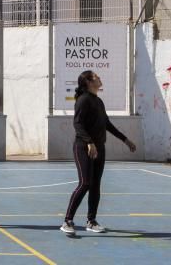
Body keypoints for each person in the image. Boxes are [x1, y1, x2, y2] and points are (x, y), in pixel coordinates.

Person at [60, 70, 137, 235]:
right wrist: (89, 142)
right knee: (85, 183)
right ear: (88, 82)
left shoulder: (98, 101)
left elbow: (107, 124)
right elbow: (78, 124)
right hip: (83, 147)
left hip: (99, 148)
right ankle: (67, 221)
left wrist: (125, 139)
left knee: (95, 185)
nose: (100, 78)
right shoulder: (83, 100)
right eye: (96, 76)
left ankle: (91, 221)